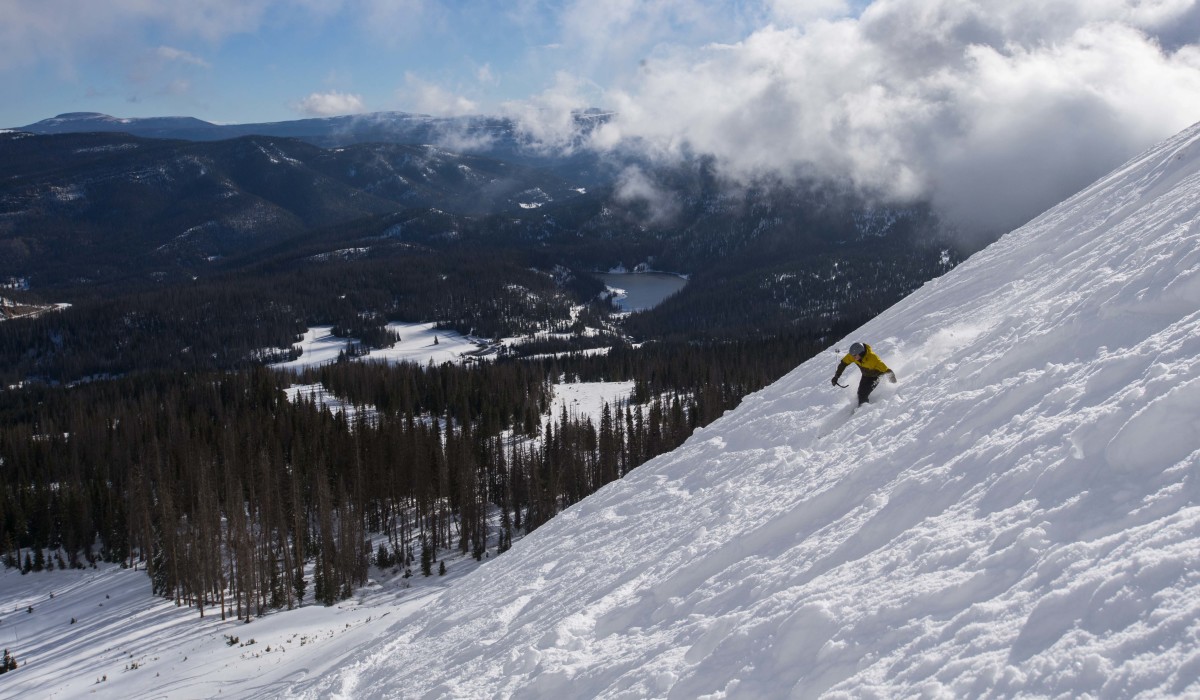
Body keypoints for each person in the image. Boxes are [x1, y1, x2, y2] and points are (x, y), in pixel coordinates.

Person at [831, 341, 896, 406]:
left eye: (855, 355)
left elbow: (887, 370)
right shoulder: (853, 355)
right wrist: (836, 376)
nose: (853, 357)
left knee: (863, 394)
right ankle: (862, 407)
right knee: (860, 393)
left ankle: (863, 411)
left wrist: (894, 383)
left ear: (861, 353)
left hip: (876, 376)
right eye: (852, 355)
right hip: (866, 375)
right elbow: (843, 364)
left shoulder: (873, 358)